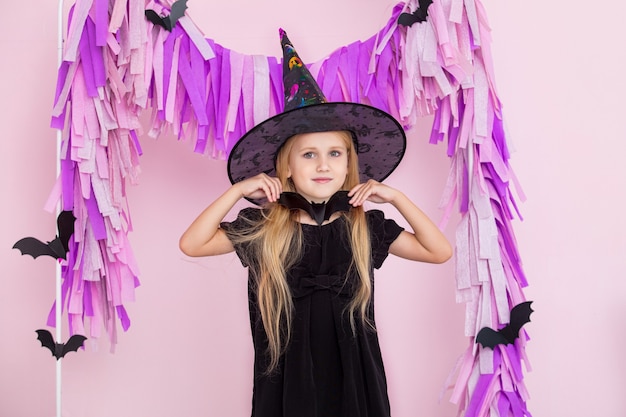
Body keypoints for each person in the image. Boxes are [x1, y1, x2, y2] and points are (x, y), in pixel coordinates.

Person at [179, 29, 452, 417]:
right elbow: (192, 243)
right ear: (287, 167)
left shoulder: (364, 227)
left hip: (356, 383)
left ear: (348, 165)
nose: (323, 165)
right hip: (287, 384)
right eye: (309, 154)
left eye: (334, 153)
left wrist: (397, 198)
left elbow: (438, 251)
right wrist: (237, 191)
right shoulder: (264, 228)